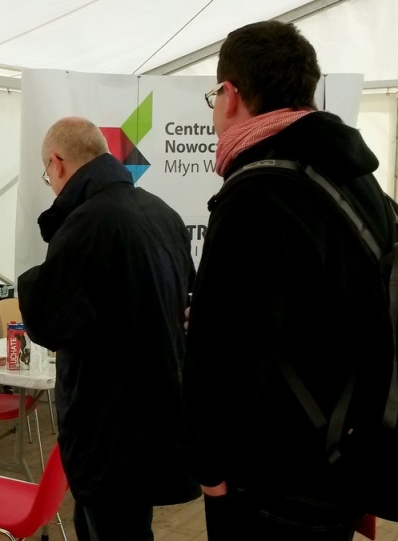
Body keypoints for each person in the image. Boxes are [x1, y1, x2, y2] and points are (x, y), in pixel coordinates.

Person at [184, 21, 394, 540]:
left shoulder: (256, 193)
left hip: (276, 475)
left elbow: (227, 355)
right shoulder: (359, 180)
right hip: (347, 452)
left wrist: (210, 471)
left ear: (230, 95)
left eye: (214, 96)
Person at [18, 117, 199, 540]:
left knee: (114, 529)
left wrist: (32, 284)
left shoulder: (87, 224)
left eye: (48, 176)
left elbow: (49, 322)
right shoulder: (163, 213)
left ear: (58, 163)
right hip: (161, 410)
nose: (51, 185)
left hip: (110, 424)